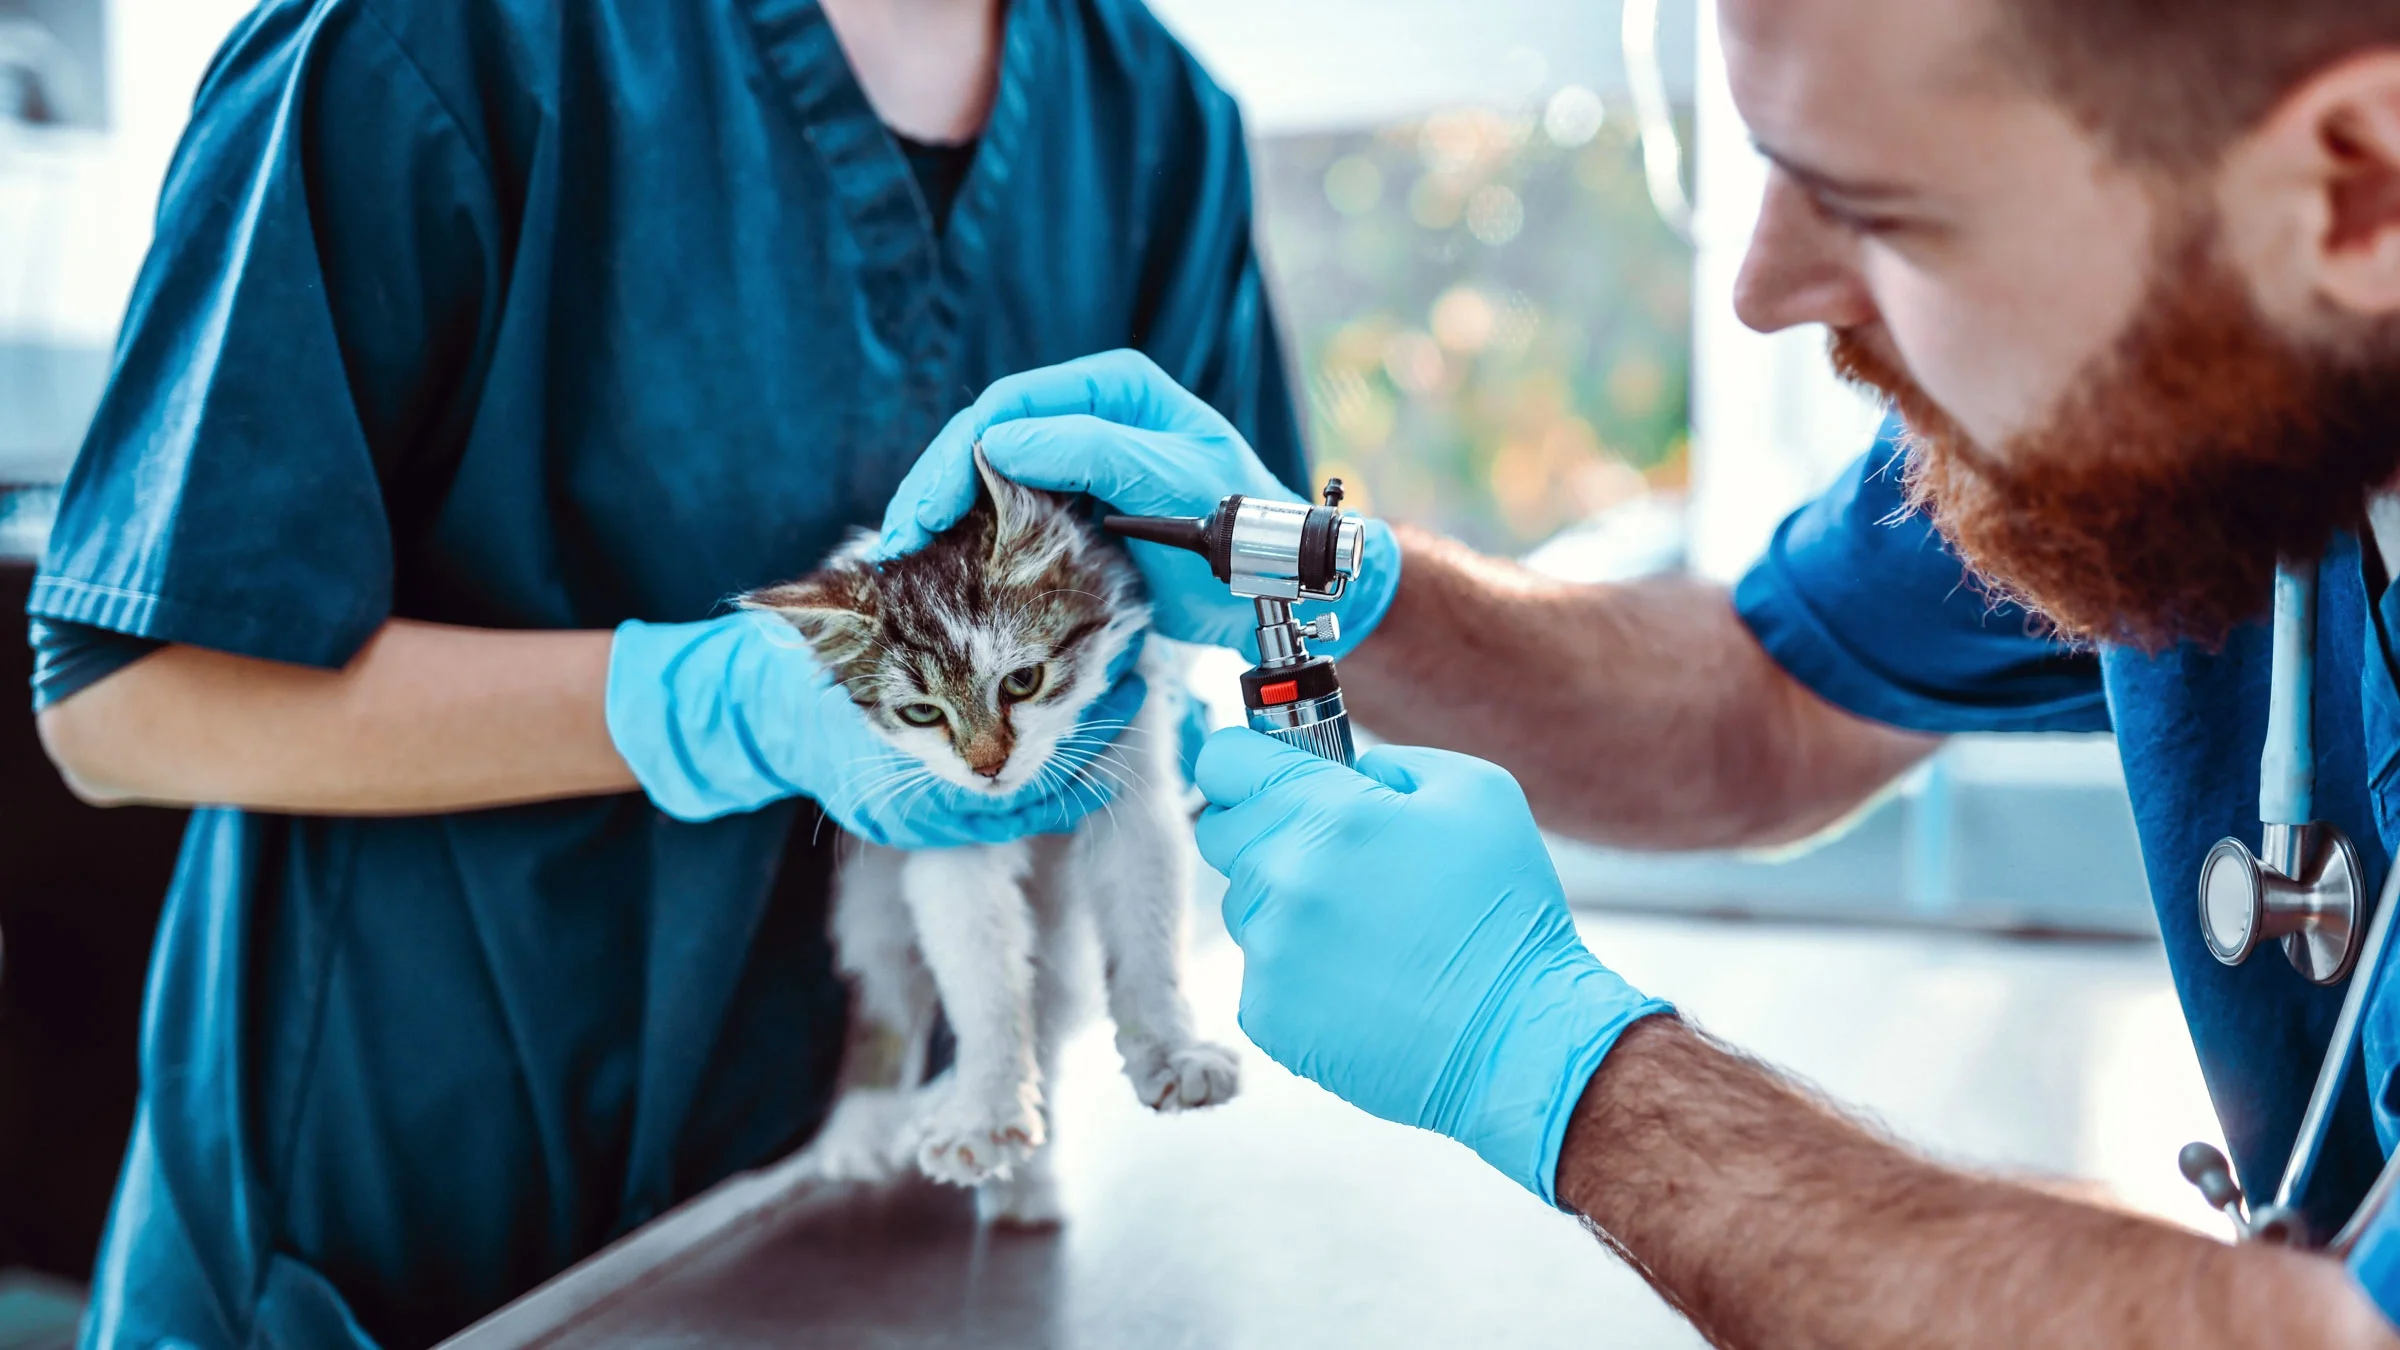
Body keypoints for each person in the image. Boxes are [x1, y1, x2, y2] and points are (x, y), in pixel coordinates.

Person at [872, 0, 2400, 1341]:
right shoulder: (2173, 367)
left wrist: (1555, 1061)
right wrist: (1327, 584)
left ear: (2353, 186)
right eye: (1765, 170)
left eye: (1878, 210)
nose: (1762, 288)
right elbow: (1768, 689)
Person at [25, 0, 1305, 1344]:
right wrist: (705, 705)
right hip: (398, 1229)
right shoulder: (428, 41)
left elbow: (1231, 596)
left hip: (860, 1223)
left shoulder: (1153, 121)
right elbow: (129, 696)